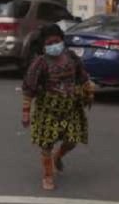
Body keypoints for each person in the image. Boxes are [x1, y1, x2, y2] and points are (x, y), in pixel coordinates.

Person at [21, 24, 94, 190]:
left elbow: (83, 78)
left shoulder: (72, 58)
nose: (54, 45)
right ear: (43, 46)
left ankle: (58, 156)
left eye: (57, 41)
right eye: (49, 43)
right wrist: (25, 113)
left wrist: (88, 92)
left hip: (71, 107)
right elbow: (28, 89)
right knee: (46, 144)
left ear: (62, 40)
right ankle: (48, 175)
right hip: (48, 109)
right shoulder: (39, 63)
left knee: (72, 140)